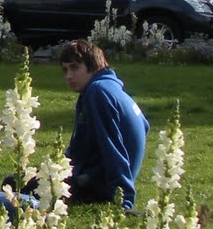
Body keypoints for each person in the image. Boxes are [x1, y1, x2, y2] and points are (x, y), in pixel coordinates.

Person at [59, 38, 150, 212]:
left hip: (99, 187)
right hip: (99, 179)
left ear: (93, 66)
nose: (69, 76)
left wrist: (124, 201)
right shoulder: (110, 88)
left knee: (17, 186)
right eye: (65, 70)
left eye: (75, 68)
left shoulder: (98, 92)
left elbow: (112, 146)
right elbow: (144, 126)